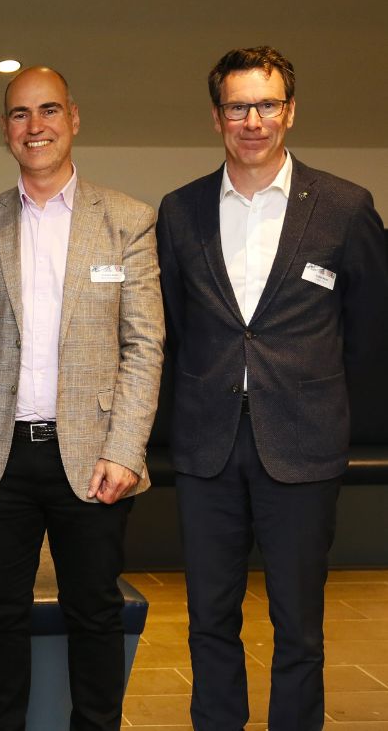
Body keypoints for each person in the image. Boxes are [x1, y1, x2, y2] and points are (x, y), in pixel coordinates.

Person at [157, 46, 388, 730]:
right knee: (208, 623)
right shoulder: (180, 211)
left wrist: (319, 399)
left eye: (266, 104)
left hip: (304, 449)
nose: (252, 120)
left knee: (300, 631)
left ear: (290, 111)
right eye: (238, 106)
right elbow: (168, 326)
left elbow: (372, 332)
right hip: (206, 449)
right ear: (216, 116)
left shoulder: (346, 207)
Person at [0, 66, 164, 730]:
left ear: (73, 118)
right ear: (6, 129)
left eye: (47, 111)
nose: (34, 126)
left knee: (94, 611)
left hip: (94, 459)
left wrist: (125, 450)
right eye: (18, 114)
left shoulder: (127, 221)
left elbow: (144, 347)